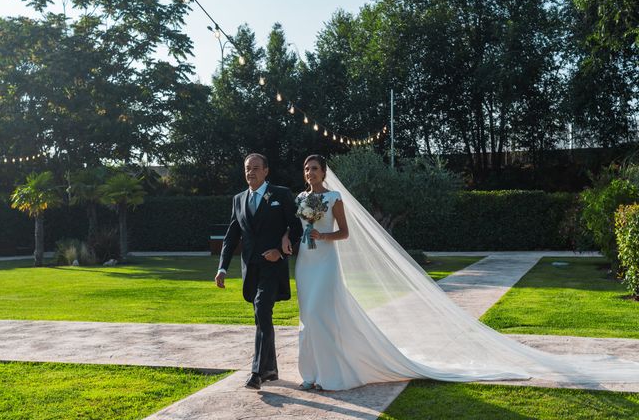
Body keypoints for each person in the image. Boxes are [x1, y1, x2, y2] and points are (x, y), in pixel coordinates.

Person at [284, 155, 639, 392]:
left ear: (324, 172)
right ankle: (311, 374)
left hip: (327, 260)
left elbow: (344, 234)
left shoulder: (334, 200)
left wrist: (324, 234)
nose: (310, 174)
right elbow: (294, 226)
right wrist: (293, 238)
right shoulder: (301, 199)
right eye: (306, 170)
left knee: (323, 314)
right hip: (306, 263)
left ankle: (331, 375)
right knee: (308, 318)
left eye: (314, 169)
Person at [216, 153, 302, 390]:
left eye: (255, 168)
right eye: (247, 168)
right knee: (261, 317)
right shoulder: (238, 199)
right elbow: (232, 236)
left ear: (266, 171)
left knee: (263, 310)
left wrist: (281, 251)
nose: (250, 172)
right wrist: (222, 267)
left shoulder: (281, 194)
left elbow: (296, 227)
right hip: (250, 268)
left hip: (273, 266)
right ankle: (272, 368)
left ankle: (257, 372)